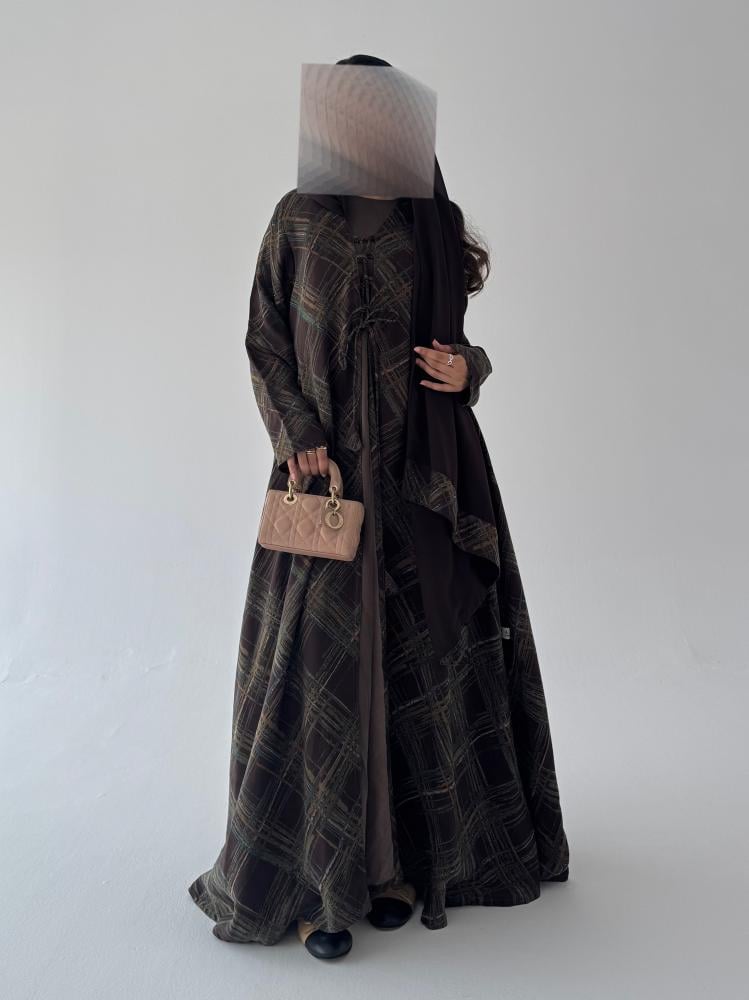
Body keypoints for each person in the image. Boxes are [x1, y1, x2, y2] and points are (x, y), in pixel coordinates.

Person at [188, 53, 570, 961]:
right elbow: (264, 337)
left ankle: (399, 870)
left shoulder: (426, 223)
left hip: (419, 483)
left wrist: (468, 369)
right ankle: (319, 887)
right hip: (324, 484)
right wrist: (296, 431)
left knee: (415, 673)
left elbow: (459, 346)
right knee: (319, 676)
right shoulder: (297, 219)